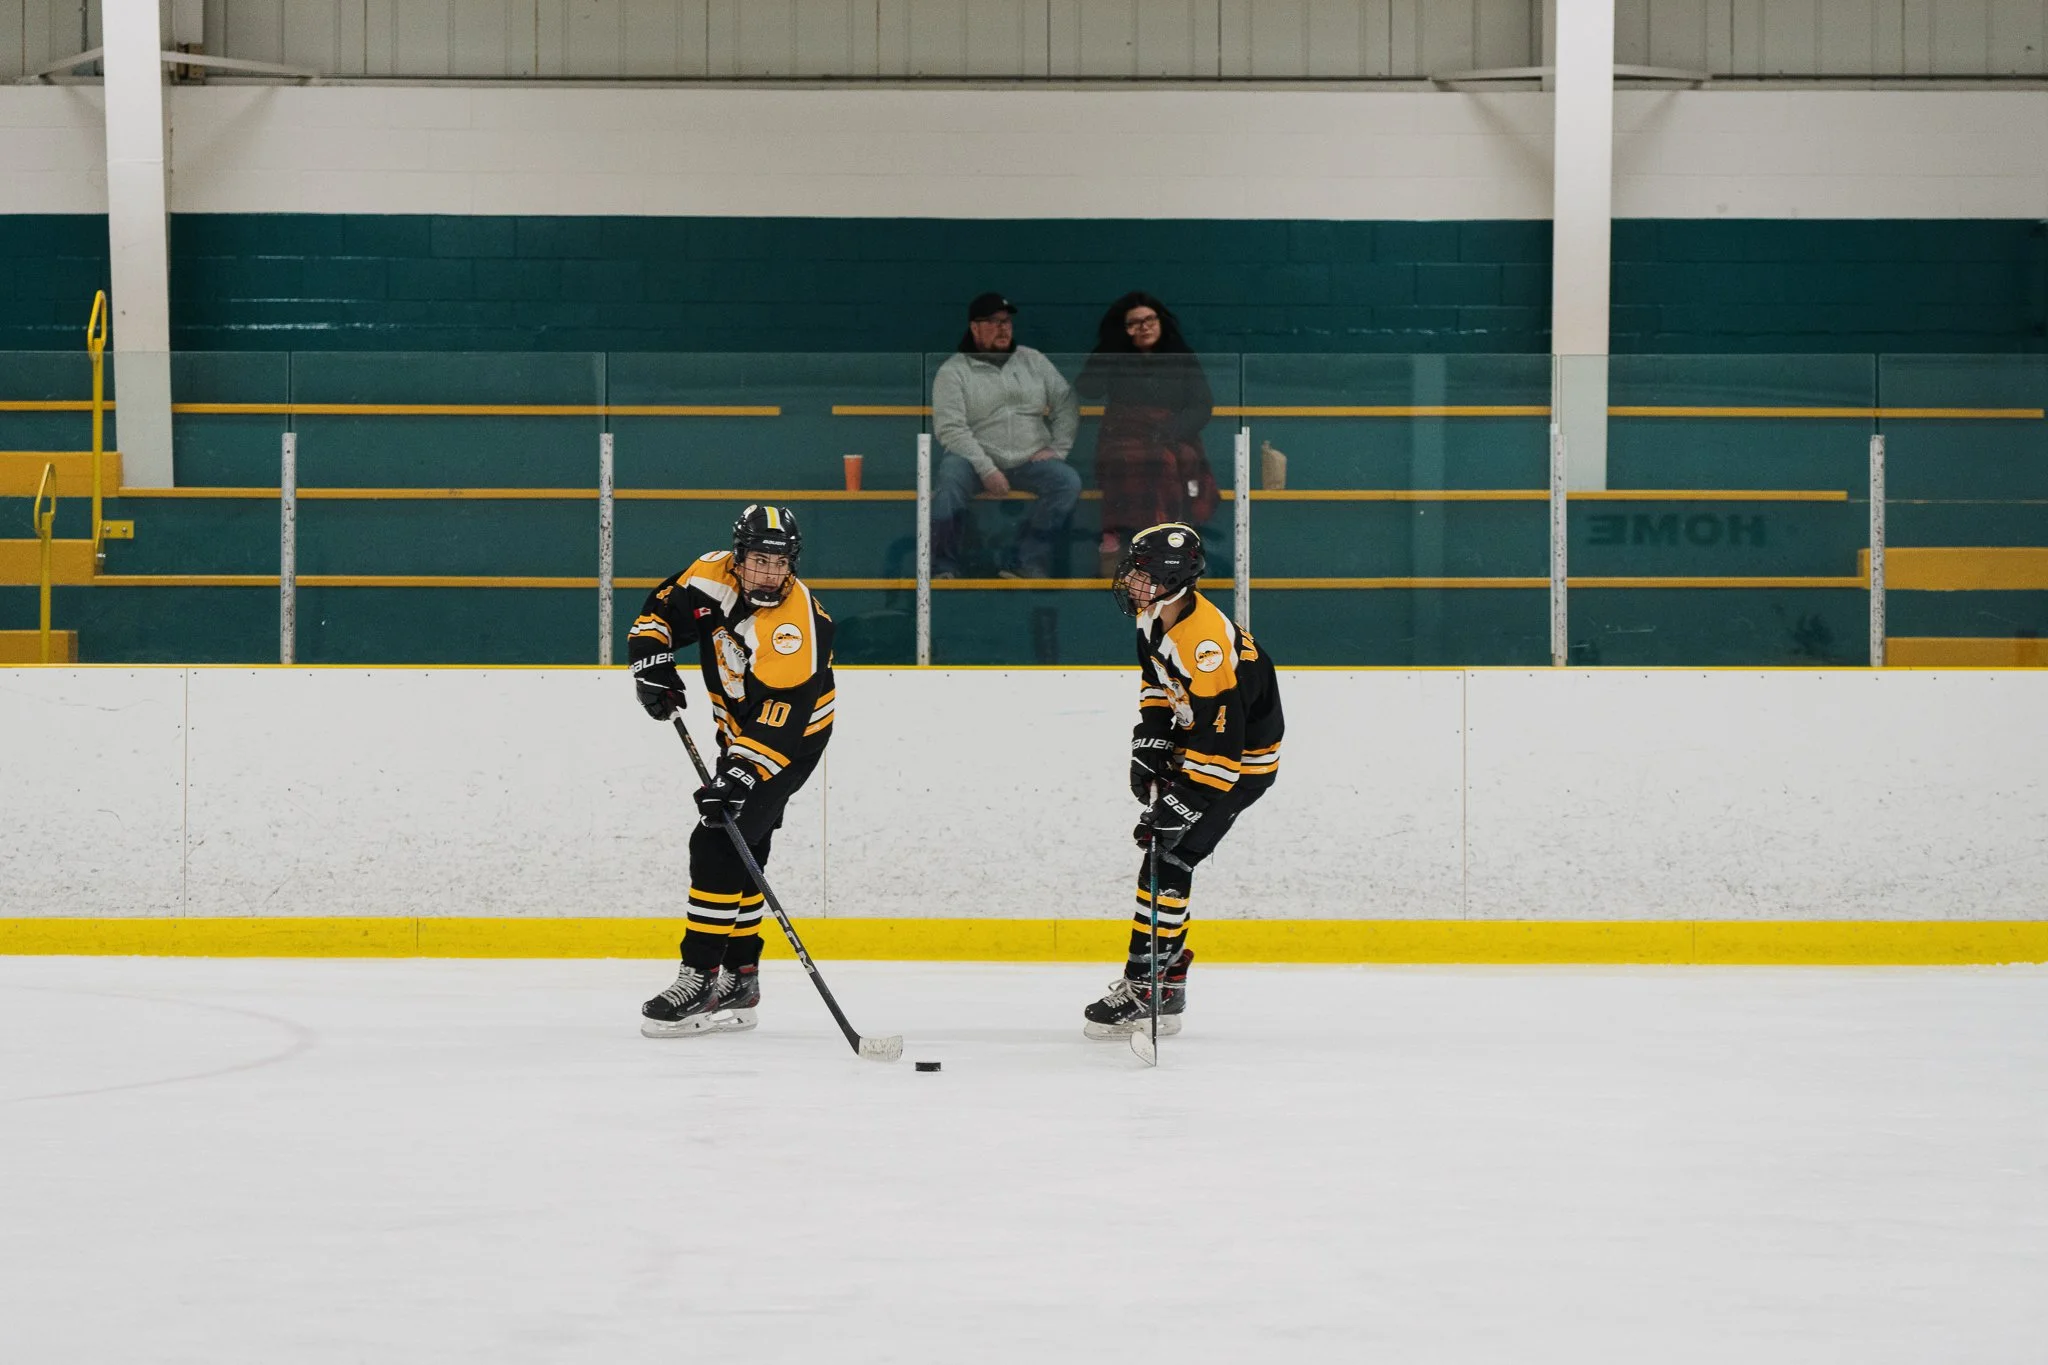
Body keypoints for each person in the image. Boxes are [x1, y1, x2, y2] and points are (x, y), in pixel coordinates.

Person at [627, 504, 836, 1039]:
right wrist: (651, 665)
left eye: (779, 563)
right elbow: (659, 613)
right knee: (747, 844)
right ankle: (741, 978)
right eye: (758, 561)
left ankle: (699, 978)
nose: (768, 574)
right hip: (737, 727)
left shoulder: (796, 626)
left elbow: (781, 719)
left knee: (717, 840)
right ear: (738, 557)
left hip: (790, 741)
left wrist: (738, 776)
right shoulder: (709, 573)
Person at [1083, 522, 1283, 1039]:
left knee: (1170, 856)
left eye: (1142, 573)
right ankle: (1164, 984)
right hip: (1202, 743)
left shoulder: (1204, 643)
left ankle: (1147, 987)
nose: (1130, 581)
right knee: (1166, 856)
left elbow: (1226, 740)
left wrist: (1188, 798)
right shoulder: (1154, 615)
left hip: (1239, 763)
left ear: (1172, 578)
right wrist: (1152, 737)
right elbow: (1157, 682)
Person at [929, 292, 1081, 578]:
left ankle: (1025, 562)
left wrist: (1058, 448)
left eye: (1007, 322)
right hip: (973, 460)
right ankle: (943, 567)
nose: (1003, 328)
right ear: (974, 327)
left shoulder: (1033, 360)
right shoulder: (953, 370)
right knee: (949, 480)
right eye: (993, 322)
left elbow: (1066, 402)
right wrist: (986, 468)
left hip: (1029, 458)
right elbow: (950, 428)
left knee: (1067, 481)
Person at [1075, 293, 1216, 578]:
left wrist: (1172, 431)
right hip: (1123, 436)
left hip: (1172, 435)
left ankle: (1173, 542)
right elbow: (1088, 388)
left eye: (1150, 319)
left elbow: (1202, 404)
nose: (1144, 327)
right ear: (1124, 329)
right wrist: (1112, 345)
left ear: (1161, 321)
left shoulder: (1181, 355)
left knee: (1173, 460)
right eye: (1134, 323)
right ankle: (1118, 541)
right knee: (1144, 461)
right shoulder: (1116, 356)